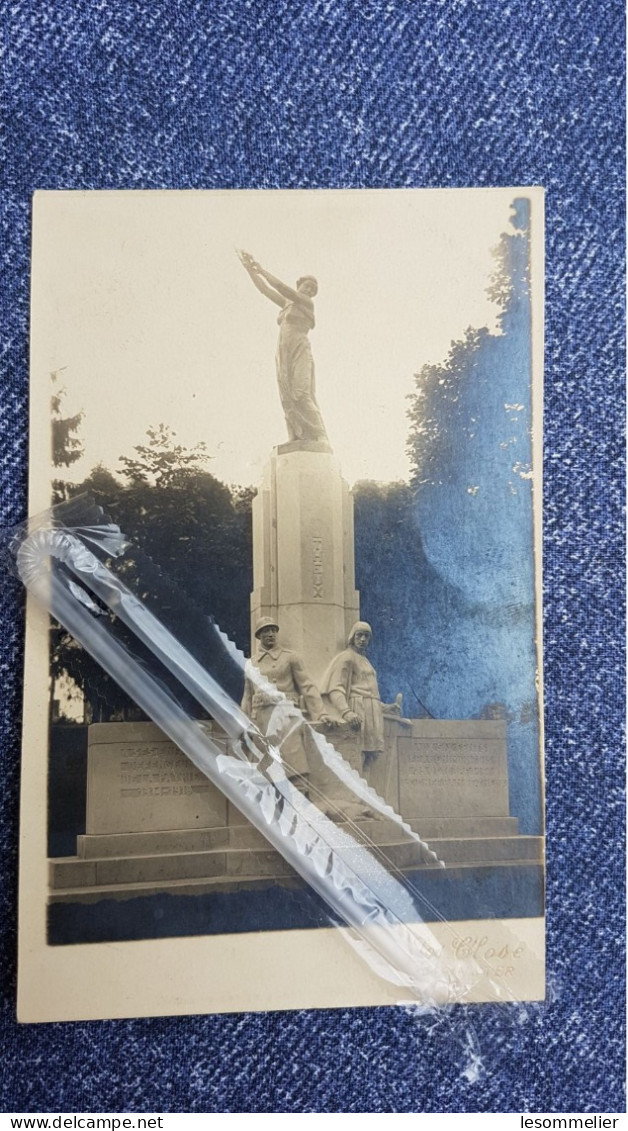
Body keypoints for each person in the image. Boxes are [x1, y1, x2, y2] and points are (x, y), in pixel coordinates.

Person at [237, 249, 329, 444]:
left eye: (313, 289)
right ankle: (295, 435)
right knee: (286, 394)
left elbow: (279, 286)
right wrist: (250, 270)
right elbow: (265, 290)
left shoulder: (305, 302)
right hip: (283, 349)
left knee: (301, 393)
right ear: (300, 284)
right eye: (307, 286)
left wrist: (261, 268)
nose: (309, 291)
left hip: (300, 347)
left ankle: (320, 434)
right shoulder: (287, 303)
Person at [241, 617, 333, 787]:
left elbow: (307, 686)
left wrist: (321, 713)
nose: (270, 634)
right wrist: (243, 723)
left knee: (294, 762)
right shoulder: (251, 663)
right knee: (267, 768)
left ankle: (300, 798)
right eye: (266, 631)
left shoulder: (291, 658)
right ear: (259, 635)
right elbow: (247, 695)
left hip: (286, 716)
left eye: (273, 630)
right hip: (262, 719)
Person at [322, 621, 401, 772]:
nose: (363, 639)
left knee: (371, 756)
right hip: (358, 709)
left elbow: (370, 692)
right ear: (352, 636)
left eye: (366, 636)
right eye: (359, 635)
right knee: (358, 754)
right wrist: (347, 712)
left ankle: (365, 792)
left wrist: (386, 708)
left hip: (372, 712)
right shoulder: (346, 657)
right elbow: (336, 688)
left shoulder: (365, 660)